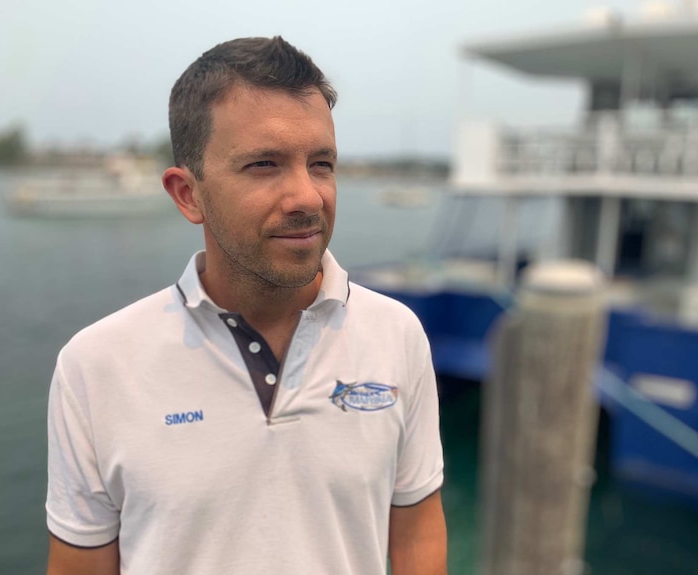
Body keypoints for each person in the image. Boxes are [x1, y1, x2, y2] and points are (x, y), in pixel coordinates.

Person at [45, 36, 447, 575]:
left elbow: (417, 531)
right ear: (188, 194)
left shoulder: (397, 334)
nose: (308, 196)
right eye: (264, 164)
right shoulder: (95, 365)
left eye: (321, 163)